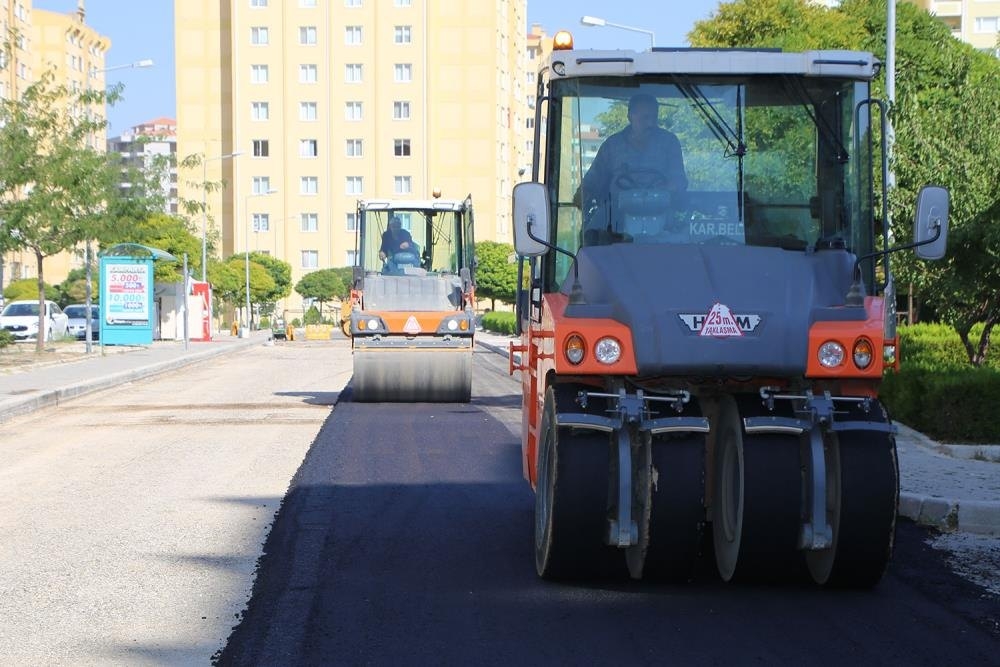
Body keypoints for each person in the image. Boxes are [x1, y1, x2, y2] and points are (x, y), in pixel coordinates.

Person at [578, 93, 688, 242]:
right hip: (617, 218)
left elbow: (679, 179)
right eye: (645, 118)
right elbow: (593, 179)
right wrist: (582, 195)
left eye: (653, 118)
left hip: (661, 213)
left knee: (684, 237)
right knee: (589, 236)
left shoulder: (669, 142)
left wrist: (669, 188)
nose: (650, 123)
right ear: (630, 116)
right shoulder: (612, 145)